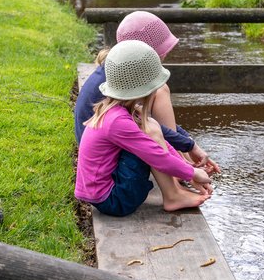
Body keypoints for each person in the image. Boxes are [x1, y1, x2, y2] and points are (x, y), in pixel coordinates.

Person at [75, 41, 212, 217]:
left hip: (104, 192)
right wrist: (191, 172)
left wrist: (186, 168)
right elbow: (156, 154)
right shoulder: (118, 122)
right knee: (150, 132)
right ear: (145, 90)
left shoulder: (114, 109)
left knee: (152, 128)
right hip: (112, 200)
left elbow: (160, 144)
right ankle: (173, 196)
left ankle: (174, 192)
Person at [74, 10, 220, 175]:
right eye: (161, 52)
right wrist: (187, 150)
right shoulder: (124, 84)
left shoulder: (118, 68)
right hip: (108, 164)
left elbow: (146, 121)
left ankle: (182, 159)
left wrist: (190, 144)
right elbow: (146, 126)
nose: (165, 56)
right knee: (160, 90)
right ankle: (179, 166)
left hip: (105, 151)